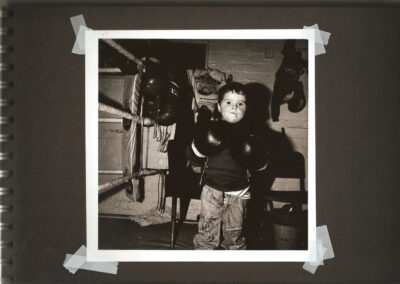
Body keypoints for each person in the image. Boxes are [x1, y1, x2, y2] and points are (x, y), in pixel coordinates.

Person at [186, 82, 269, 250]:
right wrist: (196, 158)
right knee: (207, 232)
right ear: (218, 106)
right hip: (212, 188)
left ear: (247, 108)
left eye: (240, 103)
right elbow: (192, 152)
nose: (234, 107)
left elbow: (262, 167)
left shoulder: (251, 133)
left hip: (239, 191)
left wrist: (257, 157)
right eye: (228, 102)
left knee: (235, 235)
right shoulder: (209, 127)